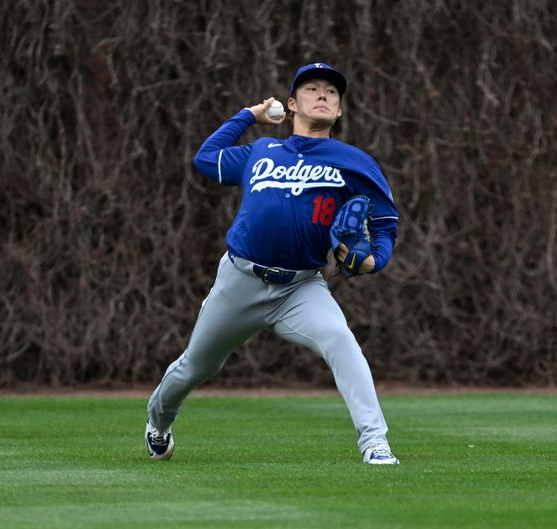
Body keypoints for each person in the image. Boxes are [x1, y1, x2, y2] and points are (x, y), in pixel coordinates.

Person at [145, 62, 400, 465]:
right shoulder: (262, 150)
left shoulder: (355, 161)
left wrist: (371, 262)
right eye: (312, 89)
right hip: (240, 280)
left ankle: (375, 442)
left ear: (339, 111)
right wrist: (248, 116)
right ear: (291, 104)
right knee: (196, 366)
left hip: (301, 287)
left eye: (331, 93)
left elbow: (386, 225)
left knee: (341, 340)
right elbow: (205, 158)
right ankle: (158, 422)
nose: (322, 96)